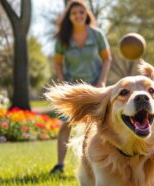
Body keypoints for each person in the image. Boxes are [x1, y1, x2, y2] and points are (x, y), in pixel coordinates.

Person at [50, 0, 112, 174]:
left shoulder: (97, 35)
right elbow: (57, 63)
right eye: (74, 13)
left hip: (94, 86)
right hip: (72, 89)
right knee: (65, 124)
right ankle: (60, 165)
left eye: (81, 12)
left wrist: (102, 81)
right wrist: (62, 83)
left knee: (95, 126)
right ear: (69, 17)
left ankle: (95, 164)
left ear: (86, 15)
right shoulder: (63, 39)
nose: (78, 15)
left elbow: (107, 58)